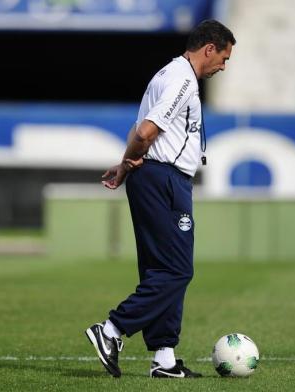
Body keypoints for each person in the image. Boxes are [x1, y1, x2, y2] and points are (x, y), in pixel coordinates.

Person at [85, 19, 236, 379]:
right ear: (209, 48)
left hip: (152, 176)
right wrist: (135, 159)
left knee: (159, 268)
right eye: (224, 57)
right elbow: (148, 130)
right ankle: (111, 330)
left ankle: (164, 358)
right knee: (177, 269)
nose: (224, 66)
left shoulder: (165, 75)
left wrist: (125, 165)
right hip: (165, 179)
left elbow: (138, 128)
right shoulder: (182, 80)